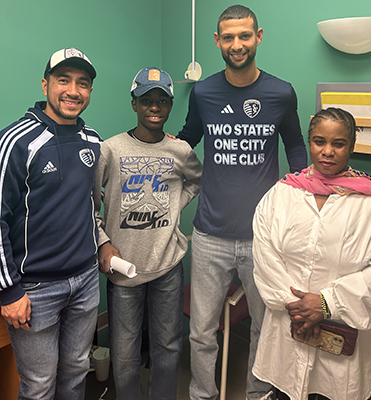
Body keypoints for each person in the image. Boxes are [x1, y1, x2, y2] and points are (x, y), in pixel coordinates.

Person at [177, 5, 307, 400]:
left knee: (266, 329)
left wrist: (306, 194)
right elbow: (187, 138)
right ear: (217, 41)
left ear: (259, 36)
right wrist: (149, 160)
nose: (237, 44)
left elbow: (296, 144)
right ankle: (202, 393)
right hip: (209, 235)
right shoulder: (204, 91)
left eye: (245, 36)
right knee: (200, 331)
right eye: (228, 37)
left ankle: (256, 395)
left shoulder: (280, 92)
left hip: (263, 239)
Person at [252, 108, 371, 400]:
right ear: (309, 142)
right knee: (286, 391)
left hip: (344, 335)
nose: (328, 151)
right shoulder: (282, 194)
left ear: (352, 146)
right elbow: (265, 254)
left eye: (339, 143)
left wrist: (325, 303)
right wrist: (298, 307)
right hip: (290, 324)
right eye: (320, 141)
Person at [94, 67, 202, 400]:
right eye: (146, 100)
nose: (154, 107)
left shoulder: (180, 150)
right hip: (124, 268)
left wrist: (173, 208)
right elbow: (87, 202)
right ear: (134, 104)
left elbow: (196, 181)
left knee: (168, 346)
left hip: (167, 266)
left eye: (161, 101)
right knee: (124, 354)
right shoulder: (109, 150)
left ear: (170, 106)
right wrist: (103, 242)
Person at [0, 48, 101, 400]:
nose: (73, 91)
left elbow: (90, 206)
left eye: (82, 83)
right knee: (39, 385)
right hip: (36, 289)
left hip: (86, 282)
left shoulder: (93, 141)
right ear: (45, 85)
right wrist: (9, 290)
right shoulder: (16, 141)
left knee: (76, 370)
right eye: (63, 80)